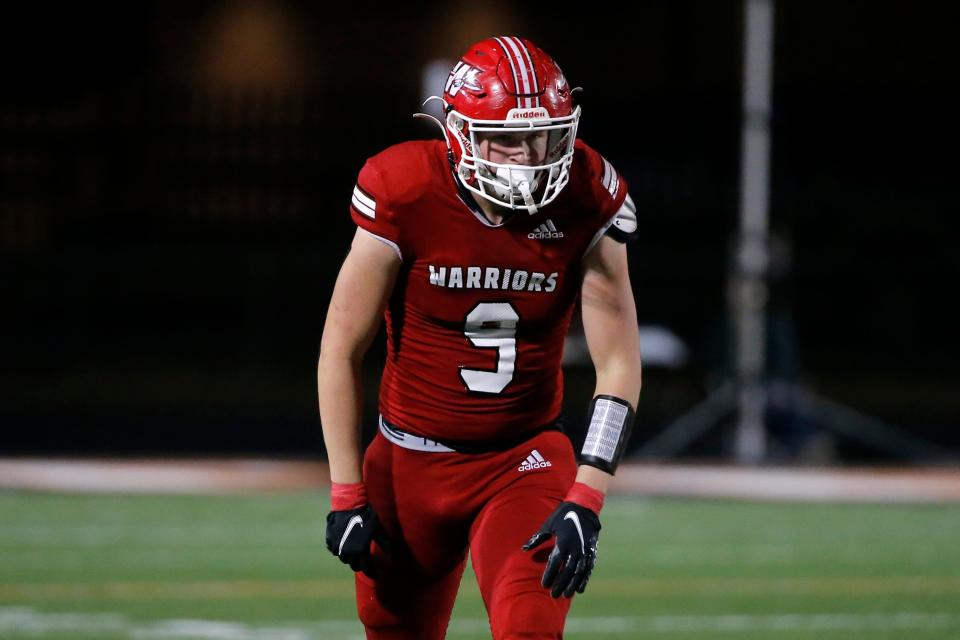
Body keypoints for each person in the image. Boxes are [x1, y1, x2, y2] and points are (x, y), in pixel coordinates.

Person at [318, 36, 642, 640]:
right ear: (459, 133)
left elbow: (619, 363)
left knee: (529, 628)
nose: (526, 157)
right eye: (506, 139)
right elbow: (340, 347)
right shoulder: (405, 189)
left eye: (540, 137)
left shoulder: (588, 194)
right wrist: (345, 491)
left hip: (523, 460)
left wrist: (588, 494)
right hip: (407, 463)